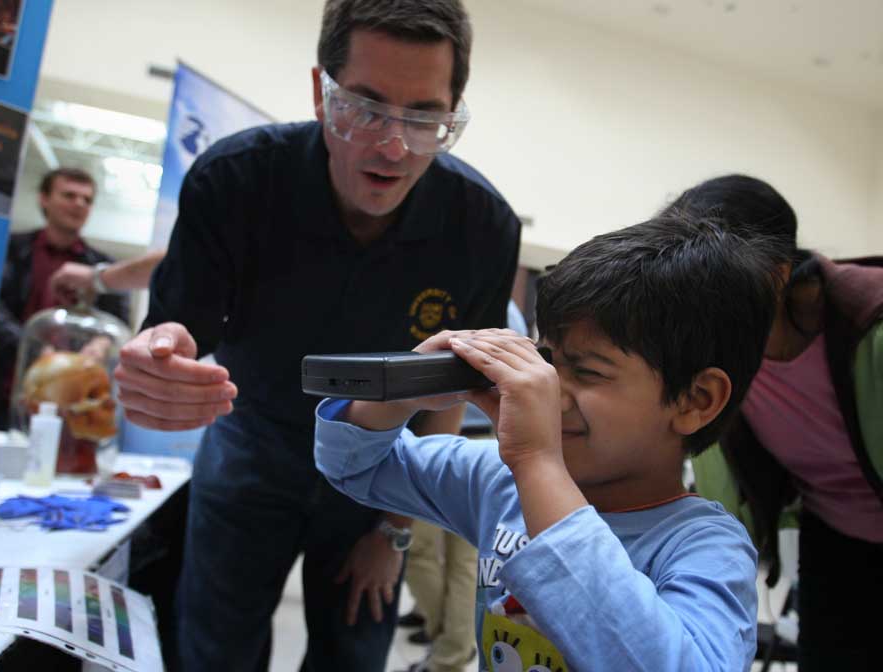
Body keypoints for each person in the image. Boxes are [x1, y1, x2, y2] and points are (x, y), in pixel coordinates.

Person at [113, 1, 521, 670]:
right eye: (364, 107)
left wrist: (393, 531)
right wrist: (158, 358)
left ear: (452, 112)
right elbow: (176, 324)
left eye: (423, 118)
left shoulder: (480, 226)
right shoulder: (236, 180)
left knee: (355, 652)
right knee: (212, 646)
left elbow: (450, 390)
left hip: (377, 470)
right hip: (251, 446)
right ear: (320, 92)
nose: (392, 147)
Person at [315, 216, 782, 671]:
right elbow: (353, 464)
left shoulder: (702, 547)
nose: (547, 389)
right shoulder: (500, 481)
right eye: (546, 361)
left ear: (695, 400)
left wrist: (538, 464)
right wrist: (407, 392)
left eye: (589, 371)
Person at [669, 175, 883, 671]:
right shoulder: (720, 354)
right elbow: (718, 484)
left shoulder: (867, 326)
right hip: (834, 538)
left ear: (777, 275)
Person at [400, 300, 530, 672]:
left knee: (430, 552)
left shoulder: (479, 305)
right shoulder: (495, 309)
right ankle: (450, 645)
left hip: (473, 436)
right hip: (478, 439)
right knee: (462, 562)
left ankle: (450, 648)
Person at [0, 167, 129, 430]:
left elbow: (118, 320)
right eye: (69, 195)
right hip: (2, 389)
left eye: (87, 199)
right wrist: (32, 345)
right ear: (44, 198)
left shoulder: (103, 268)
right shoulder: (9, 249)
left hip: (73, 402)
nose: (79, 204)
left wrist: (101, 344)